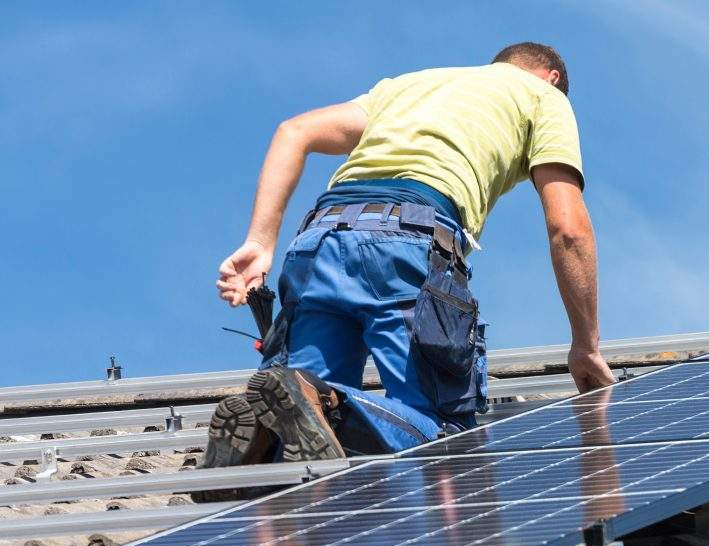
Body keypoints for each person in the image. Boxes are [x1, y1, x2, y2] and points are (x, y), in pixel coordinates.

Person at [199, 42, 616, 495]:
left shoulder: (406, 87)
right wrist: (585, 344)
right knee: (444, 439)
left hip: (318, 242)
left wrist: (259, 243)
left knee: (304, 437)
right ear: (550, 76)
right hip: (407, 245)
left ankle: (264, 446)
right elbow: (568, 229)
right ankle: (317, 401)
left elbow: (294, 131)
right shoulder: (543, 97)